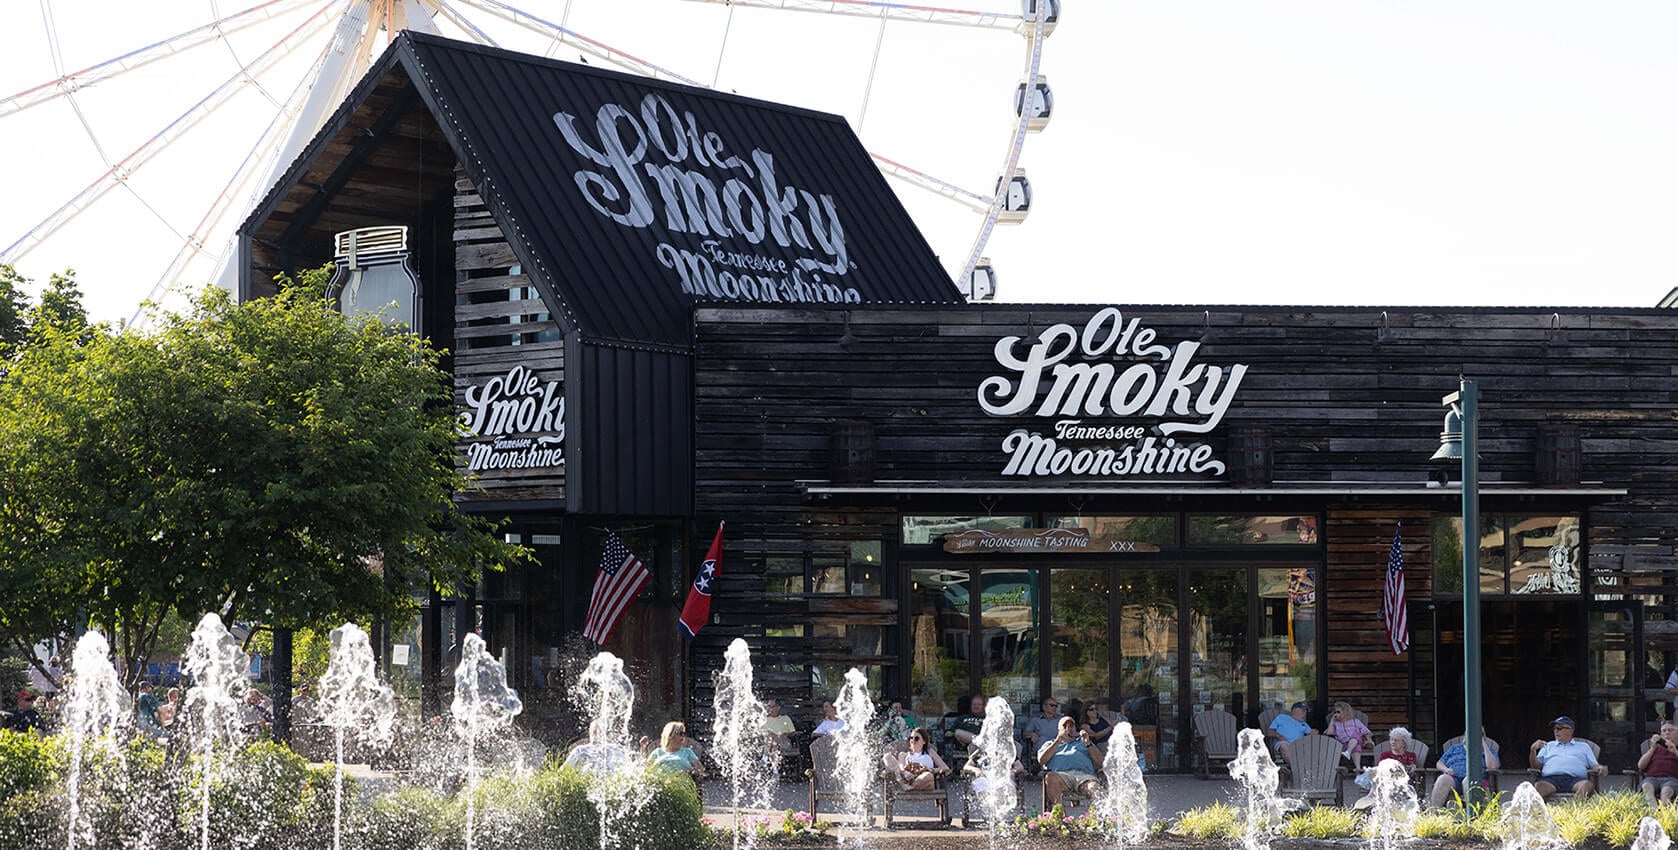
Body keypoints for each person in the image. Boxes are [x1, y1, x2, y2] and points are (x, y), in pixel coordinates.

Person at [1531, 715, 1606, 800]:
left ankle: (1573, 808)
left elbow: (1594, 765)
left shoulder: (1584, 747)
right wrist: (1533, 751)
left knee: (1587, 785)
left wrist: (1600, 768)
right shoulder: (1547, 746)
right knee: (1538, 787)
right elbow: (1535, 767)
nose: (1556, 731)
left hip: (1576, 780)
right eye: (1555, 728)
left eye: (1559, 728)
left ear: (1570, 730)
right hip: (1551, 780)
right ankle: (1540, 812)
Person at [1037, 715, 1104, 806]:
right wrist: (1058, 740)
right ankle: (1060, 814)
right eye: (1064, 726)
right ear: (1059, 730)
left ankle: (1099, 817)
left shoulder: (1083, 742)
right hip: (1061, 776)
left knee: (1094, 788)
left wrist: (1088, 744)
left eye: (1071, 726)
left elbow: (1101, 763)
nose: (1068, 728)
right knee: (1050, 777)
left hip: (1084, 776)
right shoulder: (1050, 744)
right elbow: (1042, 760)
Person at [1429, 731, 1501, 807]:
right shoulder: (1454, 748)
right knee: (1442, 779)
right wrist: (1446, 769)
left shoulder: (1488, 750)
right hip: (1453, 779)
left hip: (1475, 780)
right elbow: (1439, 763)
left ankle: (1471, 815)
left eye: (1480, 734)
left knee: (1468, 780)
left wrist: (1483, 744)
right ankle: (1434, 813)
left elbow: (1493, 767)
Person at [883, 728, 948, 792]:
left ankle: (911, 787)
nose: (913, 740)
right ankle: (903, 784)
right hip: (907, 780)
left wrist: (932, 769)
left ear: (924, 741)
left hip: (923, 781)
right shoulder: (904, 754)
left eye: (916, 738)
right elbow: (901, 767)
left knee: (928, 776)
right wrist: (905, 772)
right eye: (911, 738)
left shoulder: (930, 752)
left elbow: (945, 767)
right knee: (887, 756)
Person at [565, 720, 634, 776]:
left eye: (600, 732)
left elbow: (630, 769)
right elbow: (564, 770)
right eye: (595, 732)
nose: (597, 735)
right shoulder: (580, 750)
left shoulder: (615, 749)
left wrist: (642, 750)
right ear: (590, 733)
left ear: (605, 734)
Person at [1638, 721, 1678, 804]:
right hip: (1652, 778)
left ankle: (1663, 814)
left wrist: (1675, 751)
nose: (1667, 732)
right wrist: (1652, 749)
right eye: (1664, 731)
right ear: (1661, 735)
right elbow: (1641, 766)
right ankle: (1654, 812)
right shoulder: (1655, 748)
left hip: (1671, 780)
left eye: (1670, 730)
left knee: (1666, 791)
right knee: (1646, 786)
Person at [1021, 697, 1063, 776]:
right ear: (1044, 707)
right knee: (1042, 739)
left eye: (1056, 706)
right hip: (1041, 746)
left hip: (1057, 745)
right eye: (1052, 705)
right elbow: (1025, 733)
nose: (1054, 708)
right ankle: (1044, 769)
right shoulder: (1035, 720)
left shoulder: (1060, 720)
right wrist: (1031, 734)